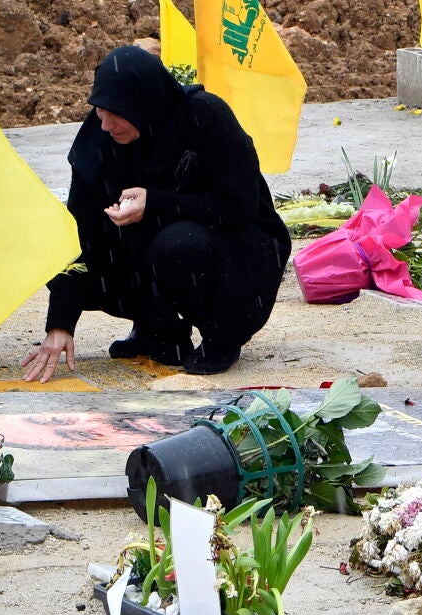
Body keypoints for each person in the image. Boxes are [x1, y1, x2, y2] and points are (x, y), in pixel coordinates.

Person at [22, 48, 290, 382]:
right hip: (155, 252)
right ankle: (160, 332)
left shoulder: (205, 117)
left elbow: (239, 206)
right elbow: (79, 228)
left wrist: (157, 203)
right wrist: (60, 324)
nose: (105, 124)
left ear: (142, 103)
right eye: (100, 111)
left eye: (115, 113)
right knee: (57, 246)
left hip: (236, 248)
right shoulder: (100, 138)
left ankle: (221, 337)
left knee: (177, 245)